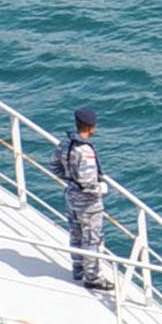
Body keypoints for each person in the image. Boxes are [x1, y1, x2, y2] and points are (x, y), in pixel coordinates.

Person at [53, 106, 111, 292]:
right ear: (91, 127)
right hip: (88, 203)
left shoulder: (64, 144)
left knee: (76, 233)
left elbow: (54, 166)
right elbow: (87, 181)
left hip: (71, 196)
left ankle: (78, 269)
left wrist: (69, 180)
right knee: (92, 238)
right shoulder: (85, 151)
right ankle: (92, 277)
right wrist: (100, 189)